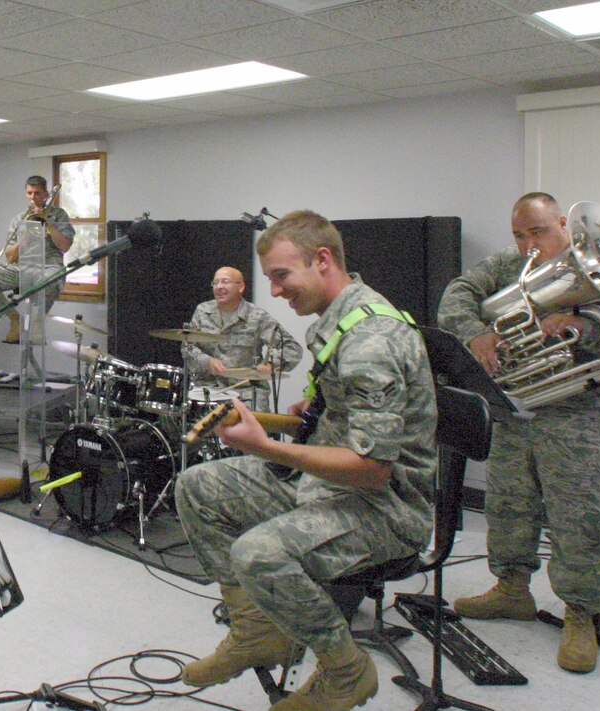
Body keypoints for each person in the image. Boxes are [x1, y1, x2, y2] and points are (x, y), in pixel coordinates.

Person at [176, 210, 437, 710]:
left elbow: (373, 468)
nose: (273, 291)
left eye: (280, 276)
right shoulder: (343, 316)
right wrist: (298, 418)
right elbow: (343, 423)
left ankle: (344, 670)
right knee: (196, 487)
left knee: (259, 553)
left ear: (322, 261)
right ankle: (257, 631)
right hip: (331, 487)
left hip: (386, 508)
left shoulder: (369, 340)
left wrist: (265, 446)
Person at [437, 192, 600, 674]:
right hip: (518, 411)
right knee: (508, 504)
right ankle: (512, 589)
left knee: (579, 517)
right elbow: (455, 295)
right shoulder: (506, 266)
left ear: (562, 223)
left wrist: (582, 325)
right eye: (519, 234)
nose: (528, 243)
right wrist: (476, 331)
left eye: (537, 231)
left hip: (579, 417)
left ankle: (581, 614)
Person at [183, 265, 303, 412]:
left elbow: (291, 348)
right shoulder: (202, 311)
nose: (219, 287)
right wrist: (207, 361)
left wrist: (271, 364)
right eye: (216, 283)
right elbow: (187, 347)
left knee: (255, 421)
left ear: (240, 287)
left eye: (225, 282)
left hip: (246, 392)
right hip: (208, 388)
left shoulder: (257, 316)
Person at [0, 175, 74, 344]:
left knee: (50, 279)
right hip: (21, 267)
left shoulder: (59, 215)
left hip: (48, 265)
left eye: (37, 193)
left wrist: (47, 222)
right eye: (29, 193)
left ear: (46, 194)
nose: (33, 197)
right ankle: (14, 318)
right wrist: (26, 236)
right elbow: (10, 257)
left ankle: (37, 324)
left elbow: (65, 246)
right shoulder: (19, 219)